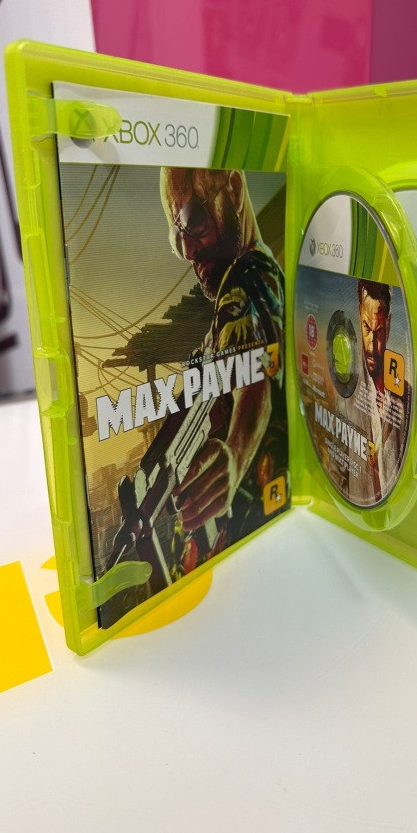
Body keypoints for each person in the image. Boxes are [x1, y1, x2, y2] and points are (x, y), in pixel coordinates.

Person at [159, 167, 286, 574]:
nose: (188, 251)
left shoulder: (242, 281)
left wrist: (235, 452)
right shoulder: (261, 275)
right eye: (177, 237)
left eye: (192, 220)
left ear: (233, 189)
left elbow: (254, 377)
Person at [339, 279, 409, 505]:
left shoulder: (407, 396)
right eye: (366, 328)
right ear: (359, 313)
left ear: (388, 324)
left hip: (397, 510)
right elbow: (338, 472)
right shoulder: (346, 391)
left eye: (379, 331)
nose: (372, 344)